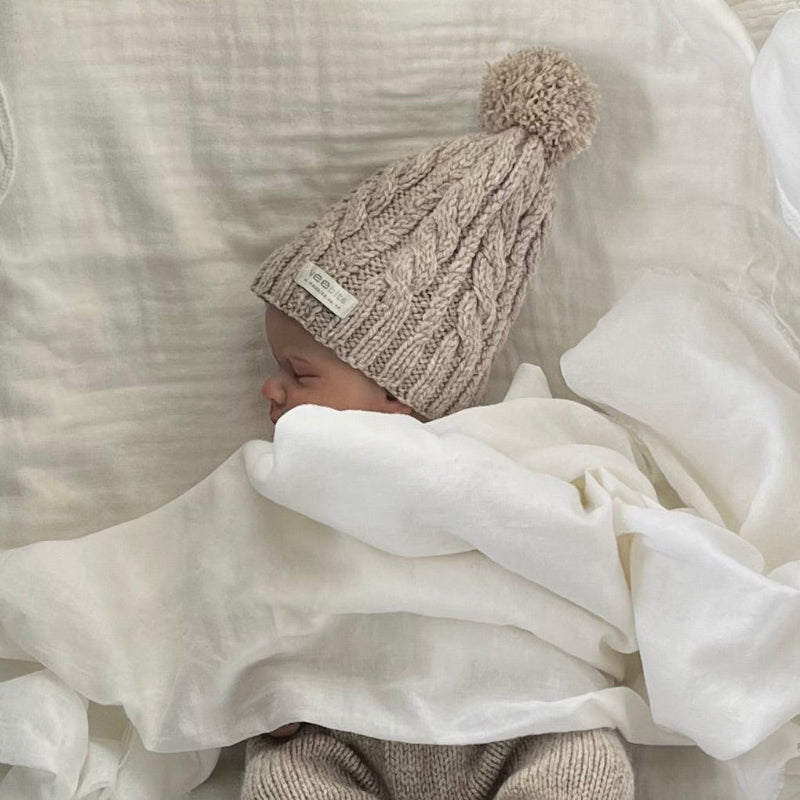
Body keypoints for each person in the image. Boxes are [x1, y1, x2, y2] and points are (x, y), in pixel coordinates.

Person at [243, 46, 635, 800]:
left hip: (517, 715)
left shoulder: (506, 453)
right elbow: (250, 589)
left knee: (587, 764)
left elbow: (578, 553)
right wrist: (272, 691)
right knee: (281, 778)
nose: (269, 389)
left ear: (399, 393)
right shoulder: (287, 487)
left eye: (299, 373)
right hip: (347, 725)